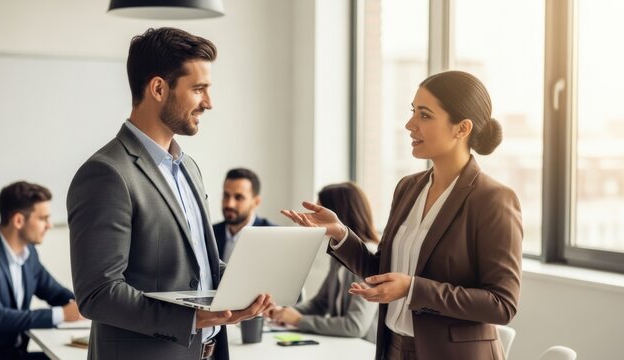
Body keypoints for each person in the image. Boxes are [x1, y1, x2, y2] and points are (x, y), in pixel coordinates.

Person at [282, 70, 523, 360]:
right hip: (394, 348)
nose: (410, 125)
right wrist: (340, 233)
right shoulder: (408, 188)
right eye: (412, 112)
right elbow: (380, 271)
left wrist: (413, 288)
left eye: (424, 115)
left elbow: (501, 304)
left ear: (462, 128)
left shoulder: (493, 199)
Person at [67, 28, 272, 360]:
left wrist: (245, 289)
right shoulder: (107, 173)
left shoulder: (188, 167)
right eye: (199, 89)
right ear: (159, 88)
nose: (208, 102)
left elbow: (200, 265)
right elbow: (98, 293)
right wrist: (191, 318)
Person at [0, 181, 83, 360]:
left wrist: (85, 306)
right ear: (18, 220)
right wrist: (62, 314)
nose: (49, 225)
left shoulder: (28, 253)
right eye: (43, 218)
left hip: (18, 354)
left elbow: (55, 292)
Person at [269, 182, 379, 342]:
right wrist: (283, 313)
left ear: (340, 215)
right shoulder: (340, 253)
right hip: (344, 346)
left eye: (319, 215)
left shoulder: (368, 255)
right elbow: (320, 304)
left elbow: (355, 326)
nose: (314, 221)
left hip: (366, 349)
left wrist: (298, 320)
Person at [213, 168, 275, 262]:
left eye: (238, 197)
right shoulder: (210, 234)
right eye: (226, 195)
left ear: (256, 202)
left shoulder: (273, 236)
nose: (230, 204)